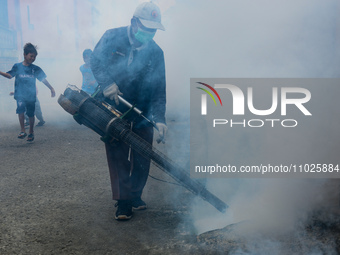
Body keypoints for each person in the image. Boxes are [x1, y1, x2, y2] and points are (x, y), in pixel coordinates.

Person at [91, 1, 167, 220]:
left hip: (143, 110)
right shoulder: (111, 37)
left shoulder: (156, 52)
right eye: (146, 28)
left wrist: (160, 118)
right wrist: (106, 83)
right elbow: (95, 61)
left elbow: (159, 88)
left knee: (143, 155)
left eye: (153, 30)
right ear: (134, 22)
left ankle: (135, 194)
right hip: (114, 106)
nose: (150, 33)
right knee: (118, 154)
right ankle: (123, 202)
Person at [0, 43, 55, 142]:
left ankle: (31, 131)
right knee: (20, 112)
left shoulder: (35, 69)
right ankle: (22, 130)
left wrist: (51, 88)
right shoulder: (17, 66)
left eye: (34, 57)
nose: (33, 58)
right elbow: (9, 75)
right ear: (24, 55)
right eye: (31, 56)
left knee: (30, 114)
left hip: (31, 96)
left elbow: (43, 79)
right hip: (20, 95)